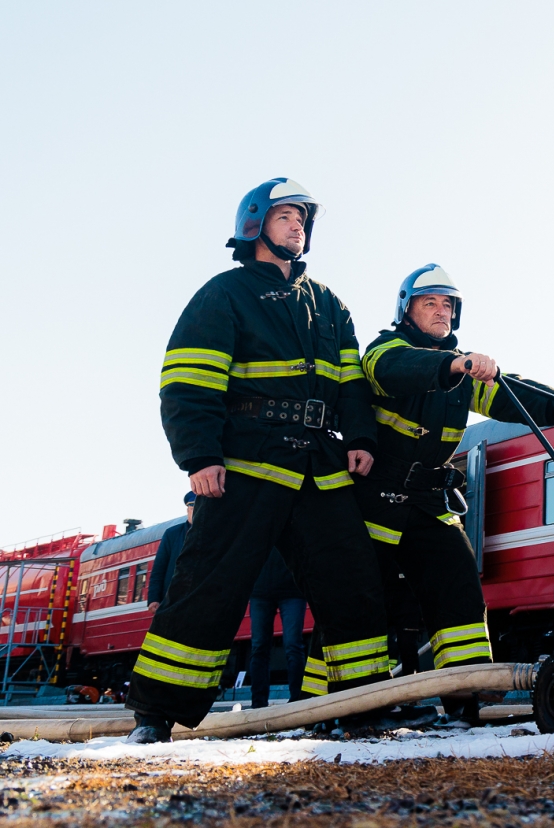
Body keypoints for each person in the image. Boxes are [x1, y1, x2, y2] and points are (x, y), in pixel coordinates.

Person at [126, 178, 390, 743]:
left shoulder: (329, 303)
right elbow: (187, 383)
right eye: (284, 216)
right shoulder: (225, 294)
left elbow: (351, 384)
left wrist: (359, 438)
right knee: (209, 583)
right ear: (255, 225)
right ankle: (156, 713)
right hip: (246, 459)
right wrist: (199, 456)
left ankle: (367, 704)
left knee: (352, 579)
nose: (297, 226)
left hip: (319, 464)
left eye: (302, 219)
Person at [300, 264, 554, 727]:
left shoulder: (464, 371)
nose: (442, 312)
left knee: (459, 592)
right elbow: (398, 372)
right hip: (373, 501)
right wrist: (453, 364)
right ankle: (323, 707)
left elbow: (510, 396)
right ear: (407, 311)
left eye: (448, 305)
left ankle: (463, 698)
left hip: (429, 501)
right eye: (430, 303)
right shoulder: (384, 351)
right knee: (358, 599)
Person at [247, 549, 307, 709]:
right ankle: (259, 705)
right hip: (266, 589)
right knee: (286, 647)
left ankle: (296, 701)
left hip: (288, 588)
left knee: (287, 646)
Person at [147, 492, 196, 612]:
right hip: (173, 599)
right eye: (193, 507)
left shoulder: (217, 534)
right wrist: (154, 598)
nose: (196, 511)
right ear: (187, 510)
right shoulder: (172, 534)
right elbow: (159, 569)